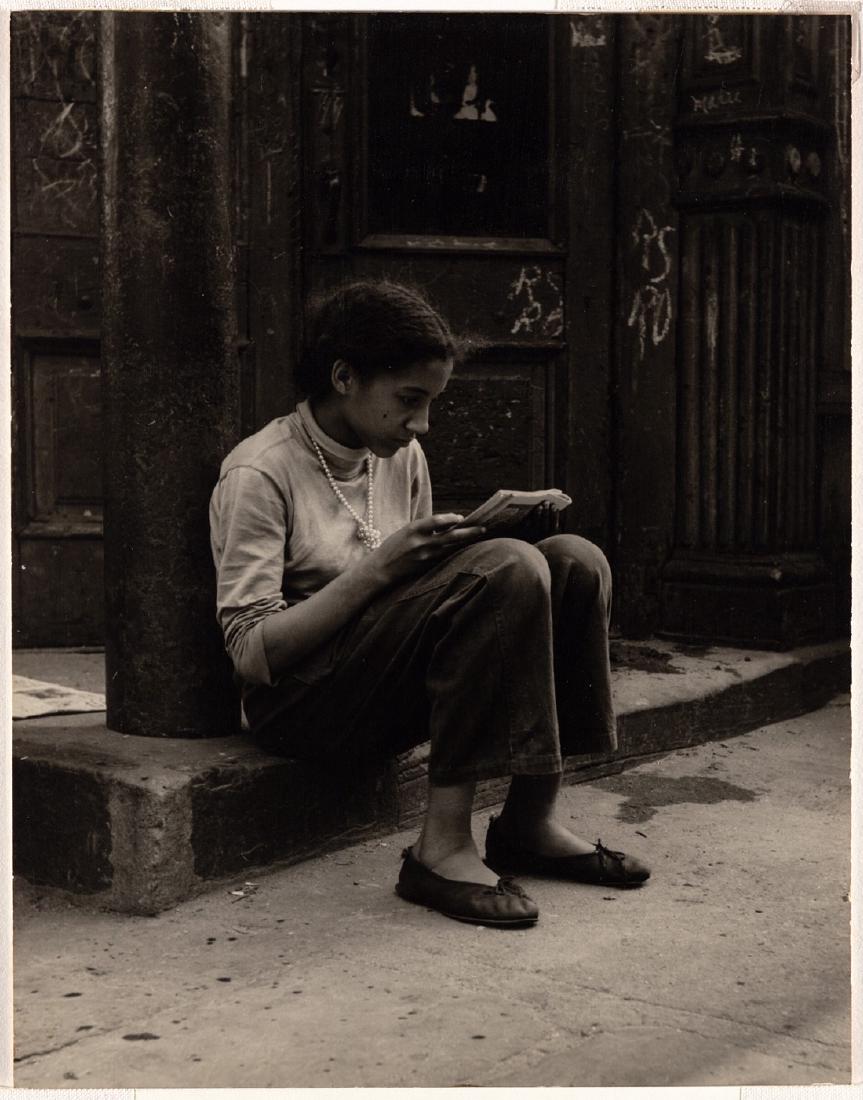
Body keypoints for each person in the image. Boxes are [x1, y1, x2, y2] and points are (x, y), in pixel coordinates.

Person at [209, 280, 649, 928]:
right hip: (301, 706)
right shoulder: (260, 472)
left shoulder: (399, 453)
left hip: (381, 681)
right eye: (409, 400)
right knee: (507, 568)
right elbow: (251, 654)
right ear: (344, 377)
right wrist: (380, 568)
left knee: (574, 561)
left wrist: (463, 547)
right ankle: (438, 850)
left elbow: (420, 601)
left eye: (430, 403)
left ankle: (528, 821)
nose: (421, 424)